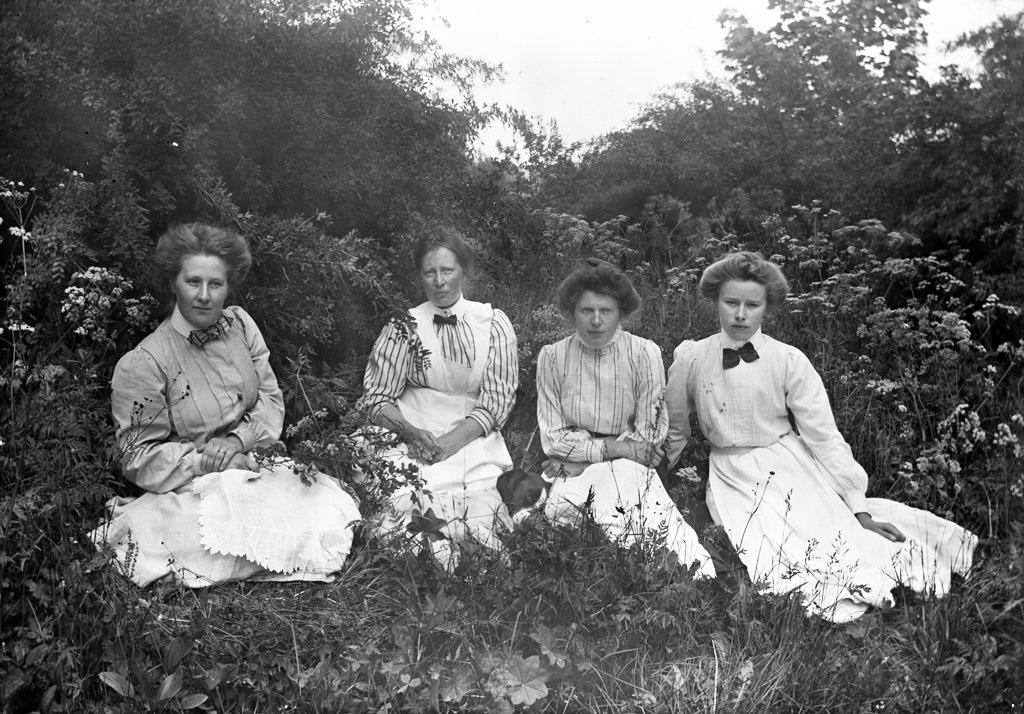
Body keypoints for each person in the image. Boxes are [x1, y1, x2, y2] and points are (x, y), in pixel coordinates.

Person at [664, 251, 977, 621]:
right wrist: (657, 476)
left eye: (752, 305)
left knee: (835, 538)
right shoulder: (693, 359)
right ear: (716, 301)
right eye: (731, 303)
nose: (740, 315)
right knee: (768, 550)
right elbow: (676, 428)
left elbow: (823, 436)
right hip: (730, 475)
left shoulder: (788, 360)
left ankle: (892, 557)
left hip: (789, 465)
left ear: (767, 308)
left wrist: (856, 504)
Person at [91, 223, 361, 587]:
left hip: (253, 465)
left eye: (215, 284)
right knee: (172, 535)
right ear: (174, 283)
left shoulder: (240, 326)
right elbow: (138, 457)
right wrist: (207, 461)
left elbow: (269, 401)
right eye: (193, 282)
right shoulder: (144, 362)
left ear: (227, 287)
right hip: (192, 487)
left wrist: (237, 443)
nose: (204, 296)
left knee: (323, 509)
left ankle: (252, 555)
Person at [535, 259, 716, 577]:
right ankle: (617, 564)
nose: (595, 321)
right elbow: (552, 437)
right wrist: (610, 450)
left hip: (635, 461)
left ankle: (673, 568)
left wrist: (594, 455)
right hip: (579, 459)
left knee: (637, 511)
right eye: (585, 311)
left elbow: (649, 434)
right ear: (571, 313)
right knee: (563, 512)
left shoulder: (644, 354)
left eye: (605, 311)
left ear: (621, 312)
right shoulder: (552, 358)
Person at [358, 226, 518, 568]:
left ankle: (473, 549)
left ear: (463, 272)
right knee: (406, 487)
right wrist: (411, 433)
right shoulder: (404, 325)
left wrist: (451, 442)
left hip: (471, 427)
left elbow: (497, 400)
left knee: (480, 493)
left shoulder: (492, 323)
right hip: (415, 424)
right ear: (419, 277)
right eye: (430, 273)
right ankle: (432, 550)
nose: (439, 281)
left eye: (447, 271)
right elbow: (377, 398)